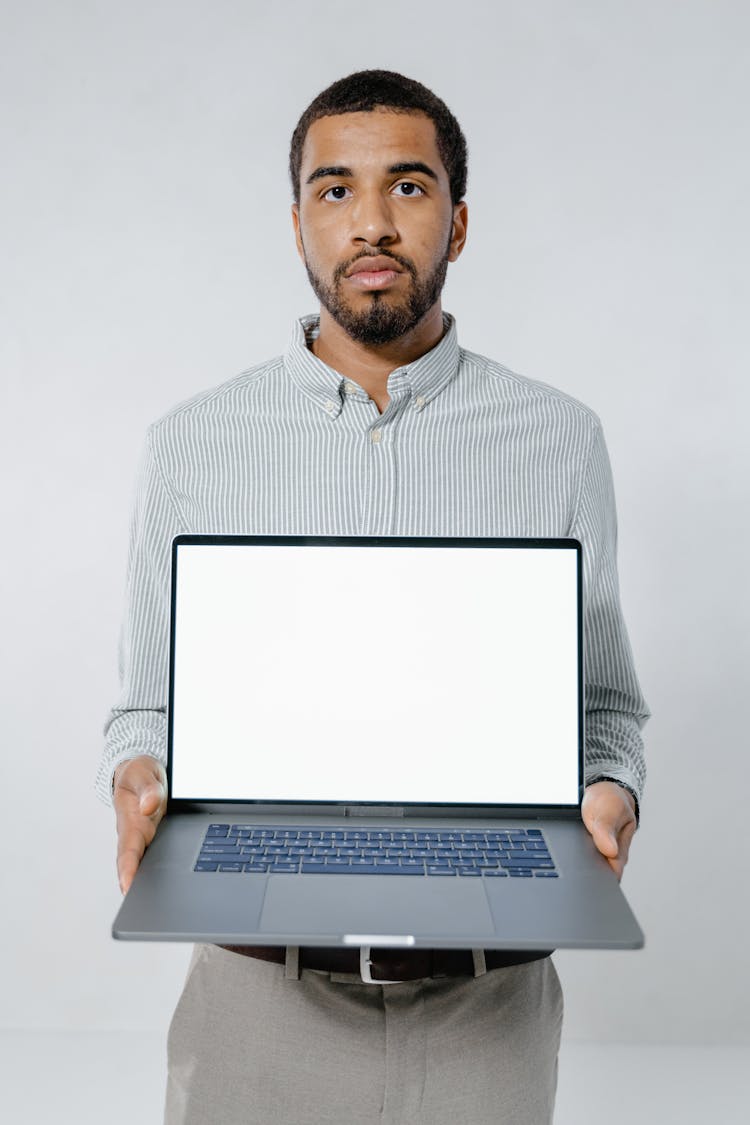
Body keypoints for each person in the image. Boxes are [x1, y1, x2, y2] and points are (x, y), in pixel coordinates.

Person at [97, 69, 648, 1125]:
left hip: (489, 1008)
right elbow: (143, 708)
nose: (374, 223)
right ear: (298, 221)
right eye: (336, 190)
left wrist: (611, 790)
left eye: (408, 185)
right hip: (257, 1007)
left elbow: (608, 708)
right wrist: (135, 774)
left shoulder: (562, 438)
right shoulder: (192, 443)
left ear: (459, 219)